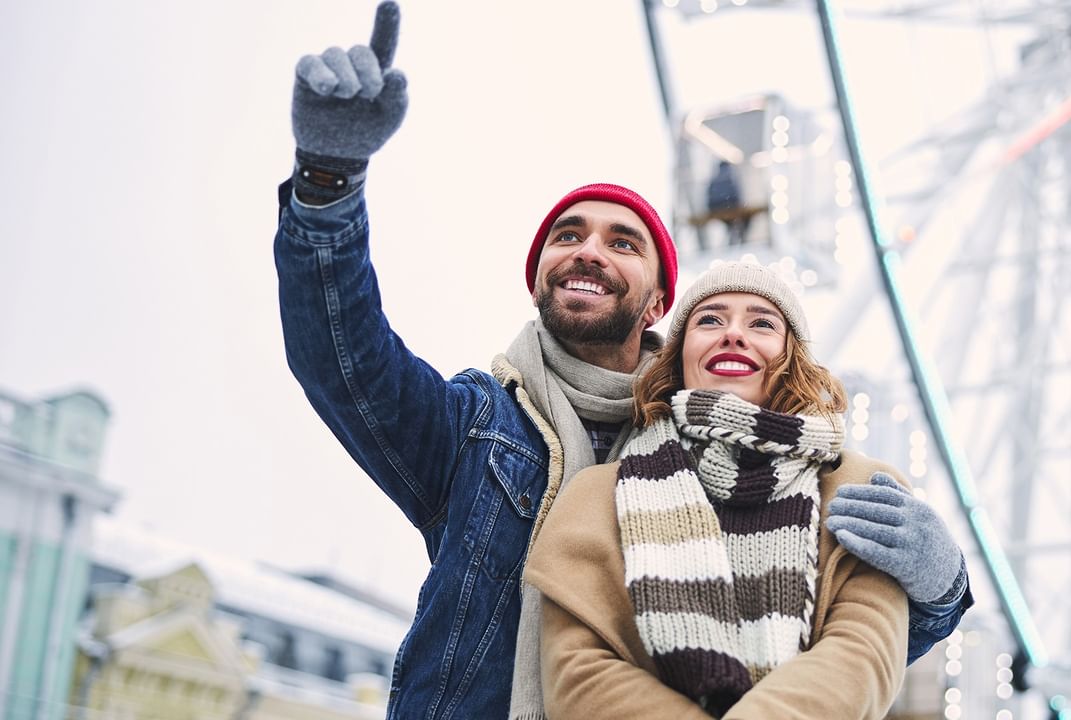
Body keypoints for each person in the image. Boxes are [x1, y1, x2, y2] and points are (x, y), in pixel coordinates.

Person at [275, 3, 969, 718]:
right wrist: (328, 179)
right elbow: (343, 357)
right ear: (540, 275)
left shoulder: (731, 446)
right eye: (568, 236)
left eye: (622, 242)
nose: (589, 251)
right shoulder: (471, 429)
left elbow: (819, 628)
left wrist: (941, 590)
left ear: (657, 301)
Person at [526, 263, 906, 718]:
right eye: (710, 320)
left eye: (762, 323)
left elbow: (862, 653)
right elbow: (579, 675)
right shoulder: (596, 499)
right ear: (680, 354)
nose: (733, 334)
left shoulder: (857, 489)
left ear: (793, 358)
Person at [705, 159, 749, 247]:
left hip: (716, 209)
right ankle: (742, 239)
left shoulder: (714, 178)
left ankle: (733, 237)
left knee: (730, 222)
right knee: (745, 219)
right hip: (730, 206)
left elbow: (709, 196)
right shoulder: (731, 177)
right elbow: (736, 195)